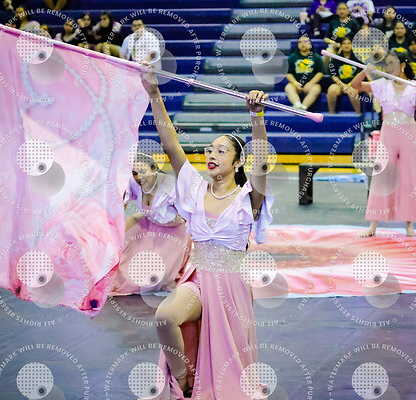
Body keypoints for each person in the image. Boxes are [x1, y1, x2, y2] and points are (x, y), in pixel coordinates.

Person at [139, 58, 274, 399]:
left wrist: (257, 117)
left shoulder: (247, 199)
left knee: (231, 368)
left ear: (237, 162)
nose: (211, 154)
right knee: (165, 316)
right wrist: (153, 92)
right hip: (199, 279)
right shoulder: (195, 190)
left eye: (221, 150)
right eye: (210, 149)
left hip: (231, 287)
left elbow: (260, 164)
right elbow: (171, 145)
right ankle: (183, 379)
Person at [350, 51, 416, 237]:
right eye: (387, 64)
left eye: (392, 63)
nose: (389, 67)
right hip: (388, 132)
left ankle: (409, 225)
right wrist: (365, 71)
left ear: (402, 65)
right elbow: (355, 86)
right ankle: (373, 225)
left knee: (410, 178)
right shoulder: (382, 85)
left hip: (409, 134)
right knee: (382, 177)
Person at [111, 152, 191, 295]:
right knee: (124, 273)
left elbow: (191, 215)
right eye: (135, 173)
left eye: (142, 171)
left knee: (149, 278)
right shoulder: (134, 183)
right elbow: (121, 205)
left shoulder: (171, 188)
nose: (139, 177)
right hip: (148, 227)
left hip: (174, 235)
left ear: (154, 168)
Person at [285, 35, 324, 111]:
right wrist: (295, 83)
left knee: (316, 88)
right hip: (296, 83)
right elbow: (288, 73)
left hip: (311, 84)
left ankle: (303, 107)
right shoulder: (293, 57)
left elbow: (320, 73)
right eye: (300, 42)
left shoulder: (316, 57)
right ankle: (297, 104)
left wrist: (311, 83)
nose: (302, 44)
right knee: (288, 87)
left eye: (305, 42)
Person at [327, 37, 362, 114]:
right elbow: (334, 76)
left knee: (352, 91)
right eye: (344, 44)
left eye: (349, 43)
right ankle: (331, 114)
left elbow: (360, 75)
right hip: (339, 84)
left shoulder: (358, 59)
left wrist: (349, 85)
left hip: (354, 84)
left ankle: (358, 114)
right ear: (341, 46)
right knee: (332, 90)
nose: (346, 45)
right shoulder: (335, 59)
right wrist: (343, 86)